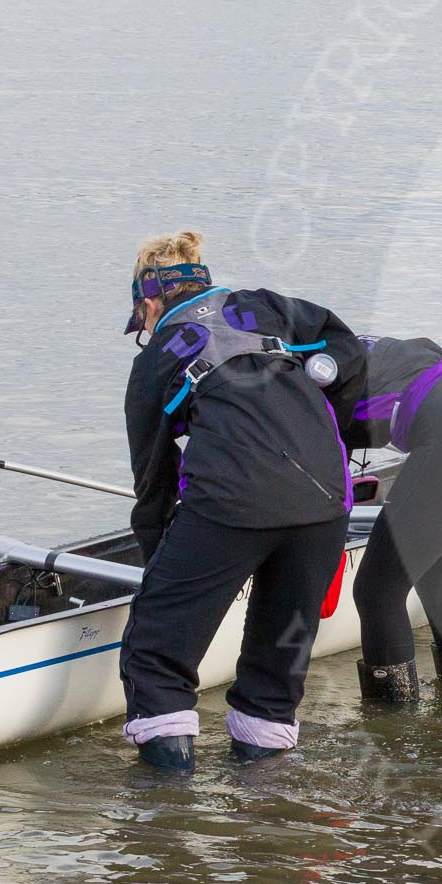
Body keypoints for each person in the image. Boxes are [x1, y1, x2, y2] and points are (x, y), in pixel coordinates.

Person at [120, 232, 355, 772]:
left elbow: (153, 487)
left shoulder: (155, 357)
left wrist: (165, 576)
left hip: (233, 499)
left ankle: (167, 815)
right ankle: (266, 813)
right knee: (274, 678)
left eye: (142, 317)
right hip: (325, 497)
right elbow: (344, 347)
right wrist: (320, 391)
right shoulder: (266, 306)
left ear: (148, 301)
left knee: (154, 654)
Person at [328, 335, 442, 702]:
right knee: (439, 579)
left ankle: (393, 730)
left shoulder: (299, 388)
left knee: (377, 591)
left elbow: (328, 487)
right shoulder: (329, 352)